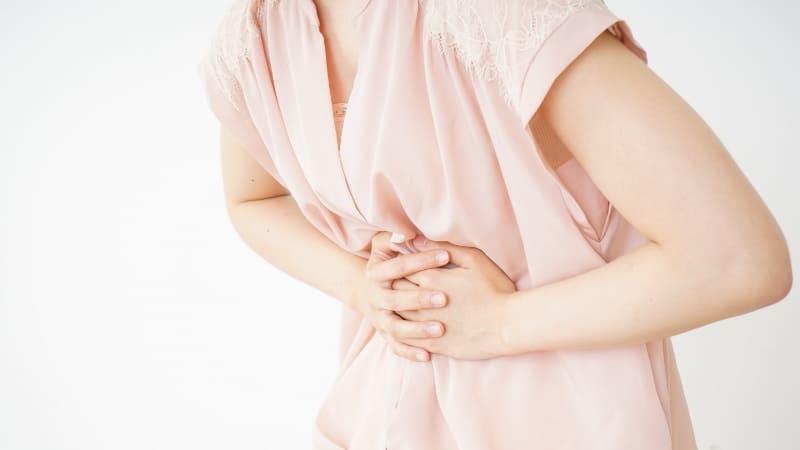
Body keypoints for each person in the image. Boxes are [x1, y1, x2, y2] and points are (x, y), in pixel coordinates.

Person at [197, 0, 793, 448]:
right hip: (385, 407)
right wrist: (359, 285)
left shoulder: (505, 14)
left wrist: (497, 323)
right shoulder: (253, 39)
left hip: (568, 418)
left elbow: (739, 258)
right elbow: (253, 199)